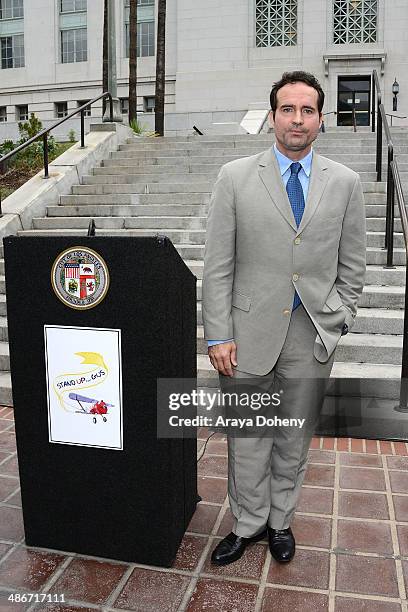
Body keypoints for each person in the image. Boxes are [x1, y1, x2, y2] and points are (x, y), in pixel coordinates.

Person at [202, 70, 366, 566]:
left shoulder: (345, 183)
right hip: (247, 336)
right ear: (273, 116)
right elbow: (218, 265)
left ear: (320, 119)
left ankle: (280, 522)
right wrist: (219, 334)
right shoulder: (234, 177)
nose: (297, 119)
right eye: (288, 109)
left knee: (293, 438)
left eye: (308, 110)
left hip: (311, 334)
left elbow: (352, 266)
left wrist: (338, 319)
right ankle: (248, 523)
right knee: (249, 438)